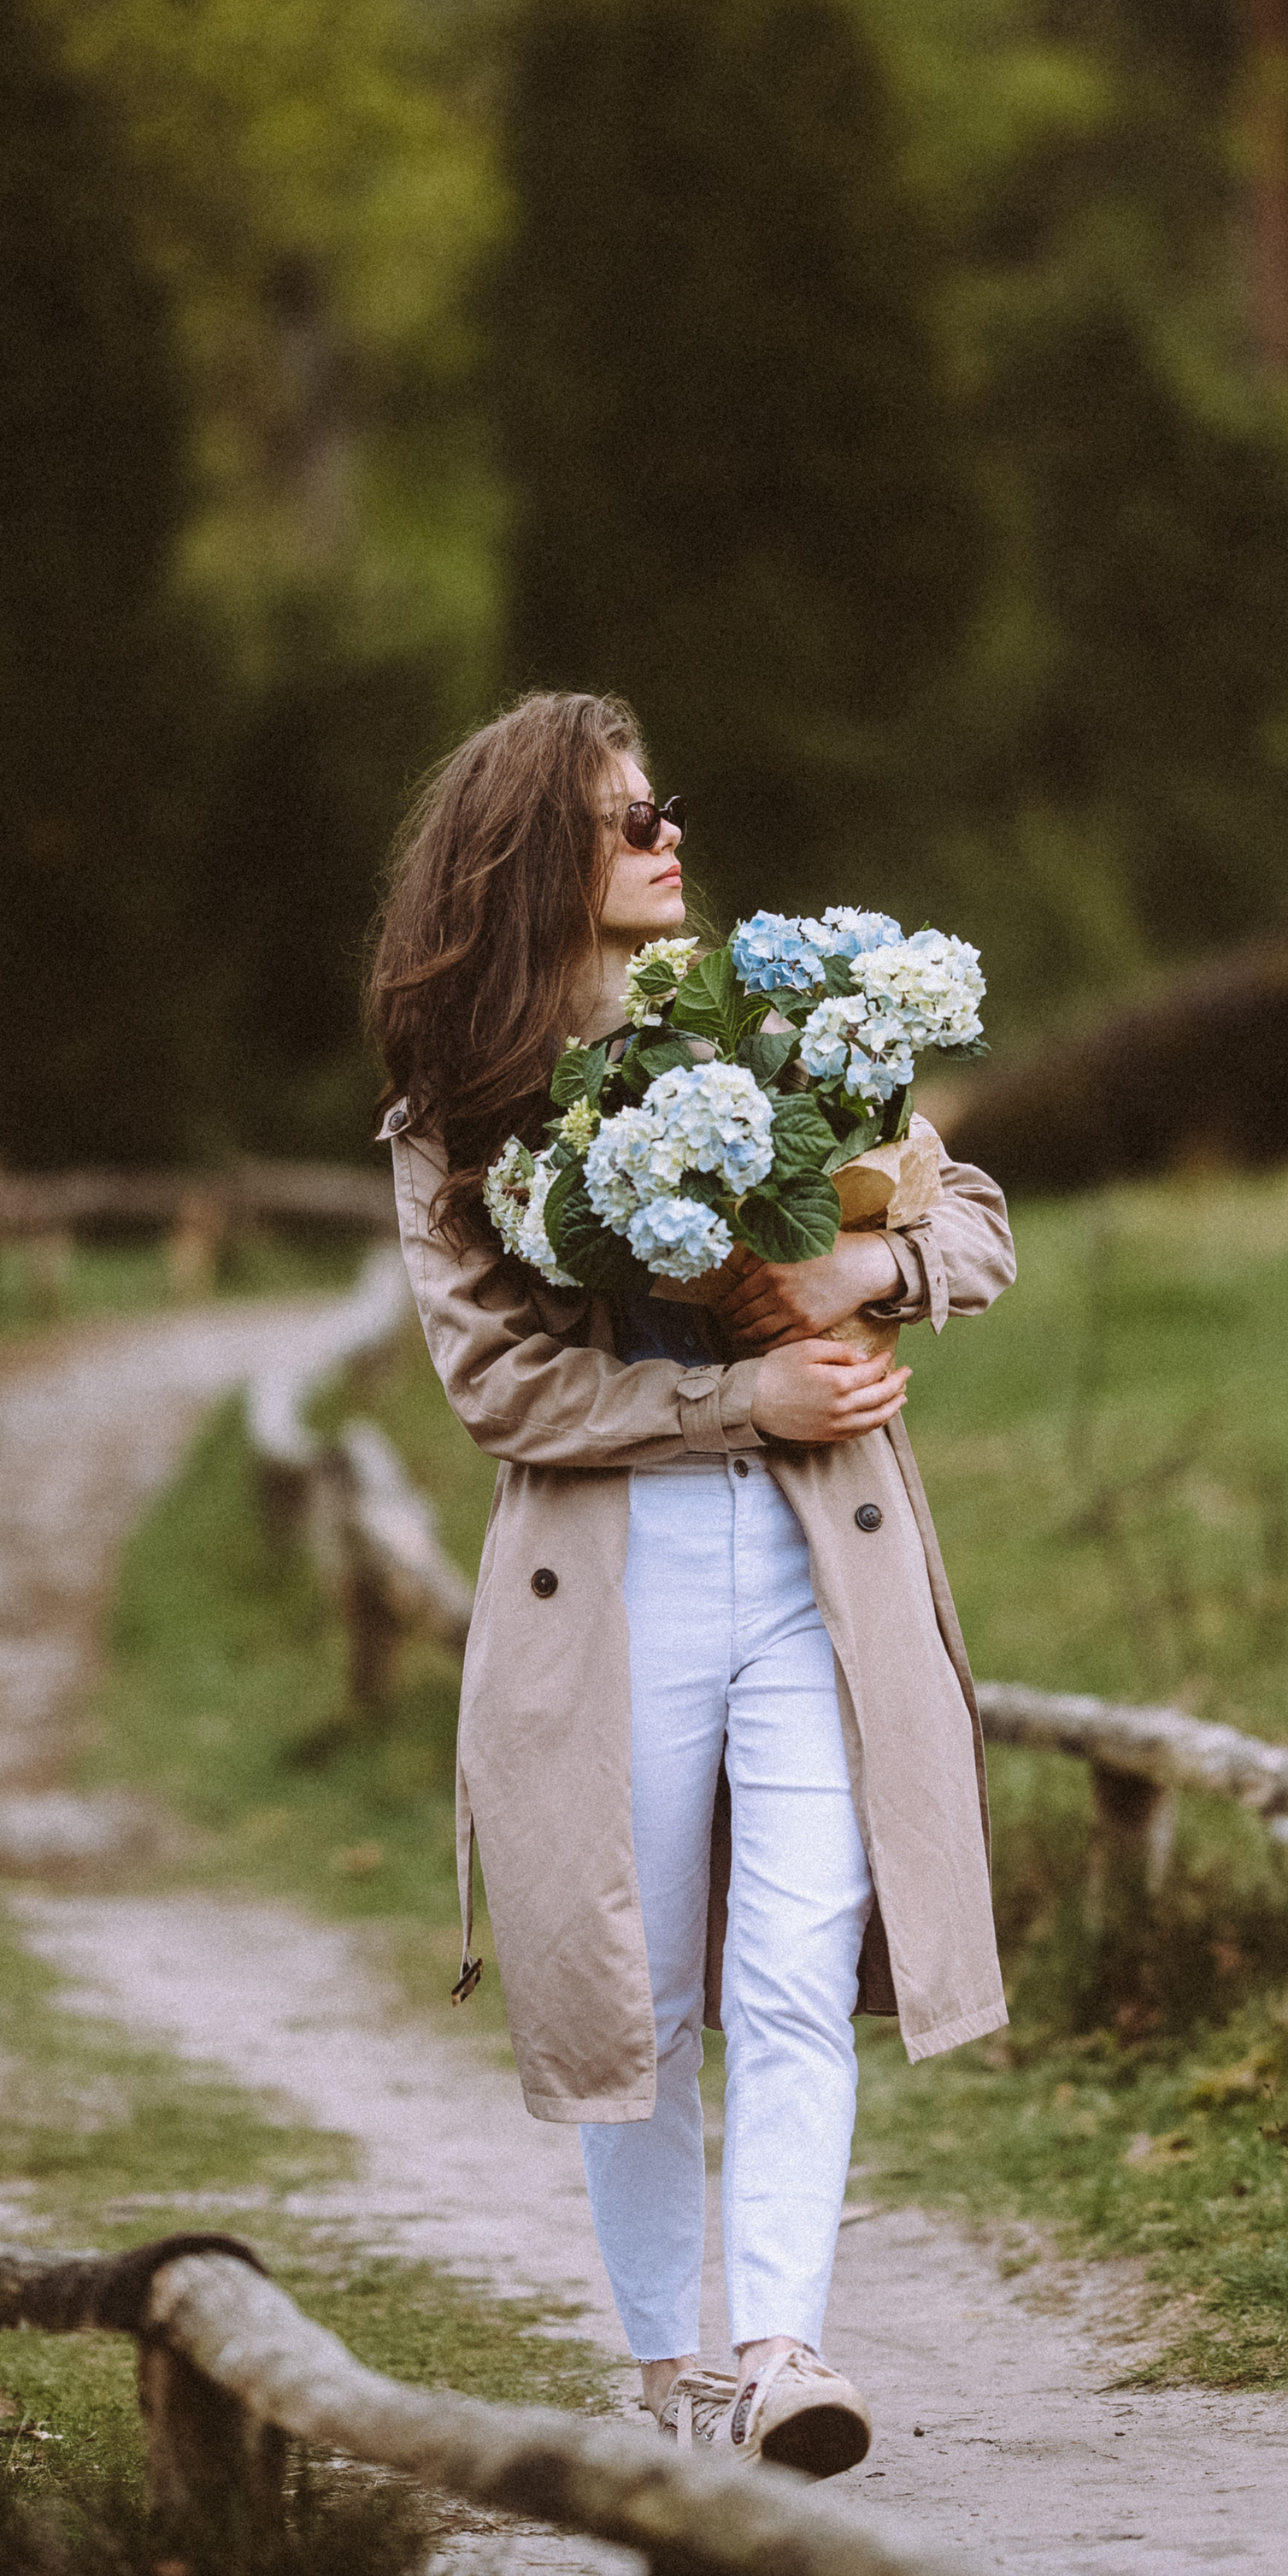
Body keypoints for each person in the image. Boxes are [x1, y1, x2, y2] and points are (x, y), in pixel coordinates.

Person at [368, 689, 1015, 2477]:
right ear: (527, 865)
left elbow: (974, 1223)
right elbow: (499, 1387)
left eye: (666, 810)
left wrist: (852, 1273)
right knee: (630, 1996)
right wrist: (738, 1387)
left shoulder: (793, 1038)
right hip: (614, 1589)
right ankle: (670, 2365)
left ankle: (781, 2351)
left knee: (798, 1968)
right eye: (625, 820)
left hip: (823, 1569)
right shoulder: (460, 1113)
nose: (668, 840)